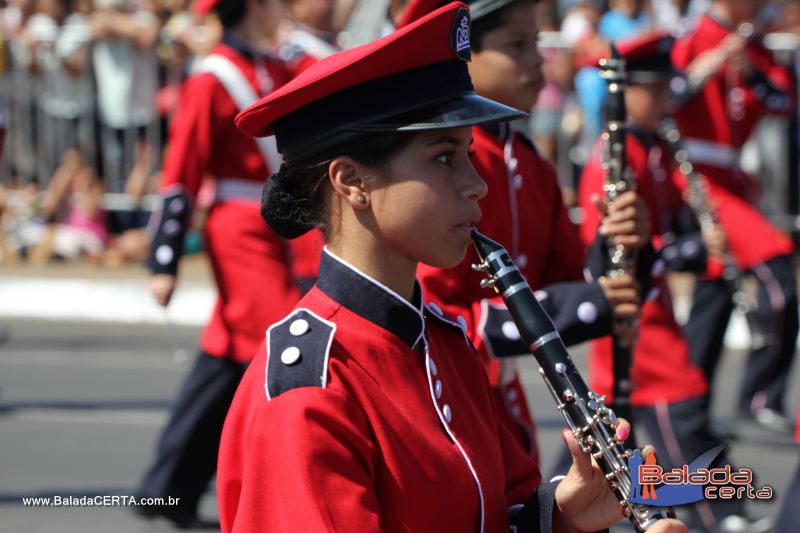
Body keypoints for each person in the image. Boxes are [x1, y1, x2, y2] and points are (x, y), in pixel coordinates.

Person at [218, 5, 689, 532]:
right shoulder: (311, 389)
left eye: (469, 153)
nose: (476, 183)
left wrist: (558, 517)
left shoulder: (444, 344)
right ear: (352, 182)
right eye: (444, 157)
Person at [399, 0, 649, 468]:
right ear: (461, 56)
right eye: (517, 45)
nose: (538, 60)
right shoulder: (443, 171)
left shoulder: (529, 162)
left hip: (501, 397)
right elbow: (430, 312)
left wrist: (621, 248)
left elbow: (567, 278)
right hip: (437, 393)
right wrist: (583, 306)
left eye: (536, 42)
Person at [578, 32, 767, 532]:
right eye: (655, 91)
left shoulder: (656, 146)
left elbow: (673, 219)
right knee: (678, 405)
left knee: (603, 433)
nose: (664, 101)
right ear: (628, 93)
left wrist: (703, 234)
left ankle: (555, 501)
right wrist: (687, 251)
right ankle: (720, 514)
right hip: (630, 306)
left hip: (652, 302)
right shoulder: (616, 154)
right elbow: (606, 253)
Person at [135, 0, 309, 527]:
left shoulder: (270, 64)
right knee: (281, 346)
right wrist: (162, 259)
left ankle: (166, 488)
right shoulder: (212, 78)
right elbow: (181, 169)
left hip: (277, 229)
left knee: (229, 355)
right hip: (240, 233)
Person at [671, 0, 798, 432]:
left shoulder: (755, 47)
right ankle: (758, 395)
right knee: (776, 267)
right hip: (697, 177)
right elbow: (660, 96)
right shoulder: (693, 39)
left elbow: (782, 101)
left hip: (735, 178)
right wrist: (704, 67)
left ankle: (693, 404)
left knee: (715, 295)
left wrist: (749, 70)